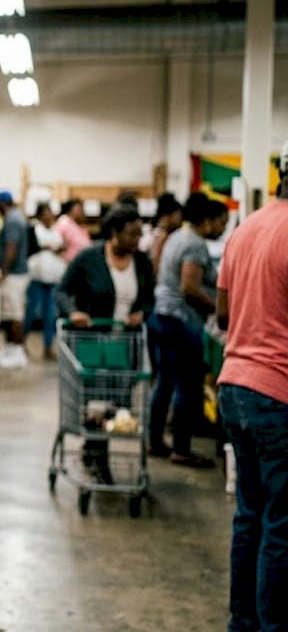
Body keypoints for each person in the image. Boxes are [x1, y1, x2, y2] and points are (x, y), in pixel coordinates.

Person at [216, 149, 288, 632]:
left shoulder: (246, 229)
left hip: (235, 385)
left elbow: (221, 312)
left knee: (250, 517)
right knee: (282, 526)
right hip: (279, 393)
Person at [57, 205, 155, 483]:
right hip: (90, 342)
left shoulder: (142, 262)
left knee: (119, 403)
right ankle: (97, 454)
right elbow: (62, 291)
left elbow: (149, 297)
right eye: (131, 234)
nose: (137, 240)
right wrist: (72, 313)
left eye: (139, 234)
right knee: (93, 400)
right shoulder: (89, 258)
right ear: (114, 233)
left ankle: (96, 449)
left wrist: (142, 314)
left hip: (126, 344)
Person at [148, 193, 229, 467]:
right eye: (221, 223)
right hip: (181, 322)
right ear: (206, 222)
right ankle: (181, 448)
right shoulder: (194, 244)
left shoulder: (175, 237)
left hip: (162, 315)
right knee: (188, 386)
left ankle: (155, 440)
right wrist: (217, 309)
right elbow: (189, 288)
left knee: (165, 382)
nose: (222, 229)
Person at [0, 191, 30, 369]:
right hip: (15, 273)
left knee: (15, 314)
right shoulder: (15, 217)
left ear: (1, 204)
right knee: (9, 313)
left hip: (14, 274)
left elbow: (11, 248)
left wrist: (3, 271)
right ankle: (10, 349)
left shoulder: (13, 220)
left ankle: (17, 351)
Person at [25, 203, 65, 360]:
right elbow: (32, 248)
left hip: (53, 278)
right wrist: (46, 247)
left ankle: (48, 347)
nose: (49, 216)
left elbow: (61, 247)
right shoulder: (34, 229)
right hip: (36, 277)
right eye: (45, 213)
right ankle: (22, 342)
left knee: (50, 314)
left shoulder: (57, 231)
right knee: (30, 312)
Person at [145, 193, 183, 273]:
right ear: (167, 217)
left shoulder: (165, 235)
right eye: (178, 215)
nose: (180, 219)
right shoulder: (161, 237)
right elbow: (156, 266)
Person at [55, 198, 92, 263]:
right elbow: (58, 244)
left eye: (82, 209)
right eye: (78, 210)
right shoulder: (64, 222)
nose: (81, 212)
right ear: (70, 211)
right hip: (68, 263)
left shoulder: (80, 225)